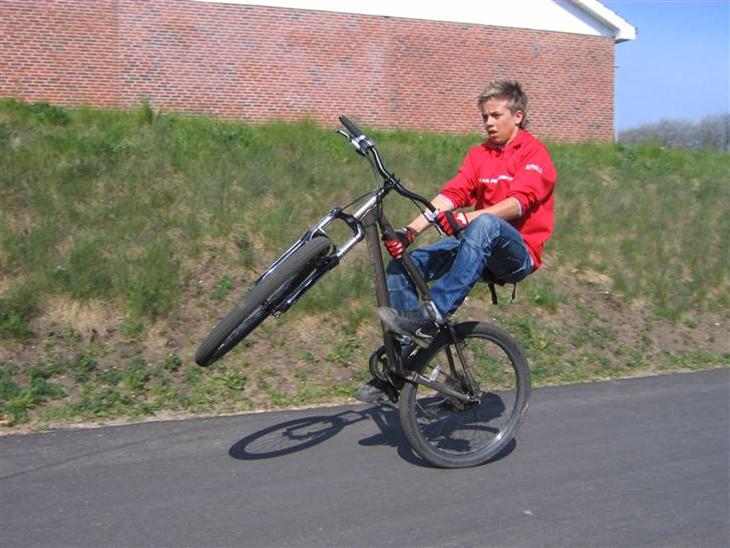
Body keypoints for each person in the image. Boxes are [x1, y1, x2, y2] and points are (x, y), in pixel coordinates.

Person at [356, 80, 557, 402]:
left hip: (517, 253)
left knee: (486, 223)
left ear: (517, 116)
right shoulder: (480, 154)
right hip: (477, 245)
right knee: (403, 266)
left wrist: (467, 219)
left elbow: (520, 203)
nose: (489, 123)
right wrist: (410, 232)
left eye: (496, 115)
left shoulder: (535, 153)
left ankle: (434, 313)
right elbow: (452, 194)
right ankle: (402, 363)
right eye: (484, 117)